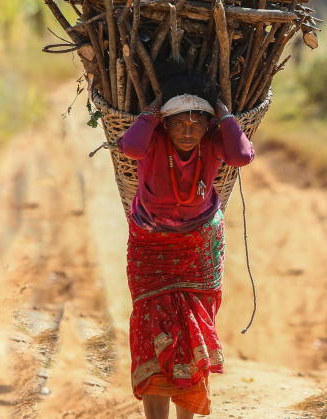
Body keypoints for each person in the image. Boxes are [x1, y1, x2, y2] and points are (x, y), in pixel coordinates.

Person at [116, 69, 254, 419]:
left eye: (197, 123)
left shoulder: (211, 141)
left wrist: (222, 112)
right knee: (152, 325)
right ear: (166, 123)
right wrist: (158, 105)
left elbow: (241, 156)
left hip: (198, 245)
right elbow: (128, 146)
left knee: (193, 332)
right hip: (151, 246)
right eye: (181, 124)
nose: (189, 132)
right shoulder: (153, 140)